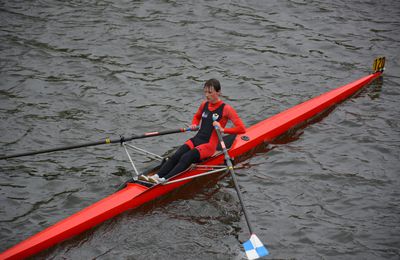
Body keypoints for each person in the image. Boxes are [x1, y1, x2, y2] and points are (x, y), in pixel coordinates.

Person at [140, 79, 246, 184]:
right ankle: (156, 176)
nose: (207, 95)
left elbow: (241, 129)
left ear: (218, 92)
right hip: (197, 139)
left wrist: (223, 129)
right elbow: (197, 116)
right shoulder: (204, 104)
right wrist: (194, 124)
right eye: (205, 92)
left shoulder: (226, 109)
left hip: (209, 145)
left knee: (186, 157)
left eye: (210, 92)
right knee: (177, 154)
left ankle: (164, 179)